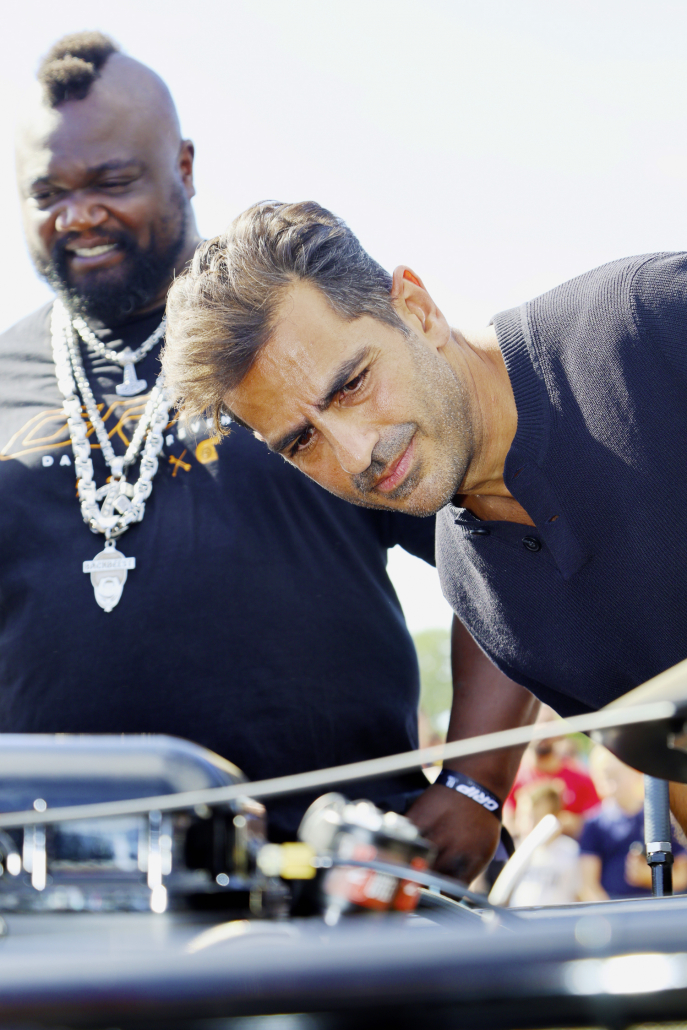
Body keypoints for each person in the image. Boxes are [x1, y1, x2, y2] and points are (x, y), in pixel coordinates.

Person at [3, 33, 496, 854]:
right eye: (47, 191)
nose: (78, 214)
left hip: (325, 873)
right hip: (47, 882)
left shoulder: (299, 338)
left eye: (112, 182)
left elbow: (494, 531)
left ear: (184, 167)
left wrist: (476, 783)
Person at [161, 199, 687, 855]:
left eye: (351, 385)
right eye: (301, 442)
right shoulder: (475, 589)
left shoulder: (653, 319)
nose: (356, 454)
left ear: (416, 308)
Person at [579, 747, 687, 900]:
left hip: (656, 906)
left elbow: (682, 876)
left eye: (615, 775)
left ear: (635, 773)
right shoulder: (594, 825)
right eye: (603, 776)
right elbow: (589, 885)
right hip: (614, 906)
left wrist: (647, 876)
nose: (609, 783)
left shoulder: (661, 819)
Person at [506, 736, 599, 839]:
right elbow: (507, 824)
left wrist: (561, 823)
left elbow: (596, 821)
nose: (542, 737)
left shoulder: (581, 779)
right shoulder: (514, 780)